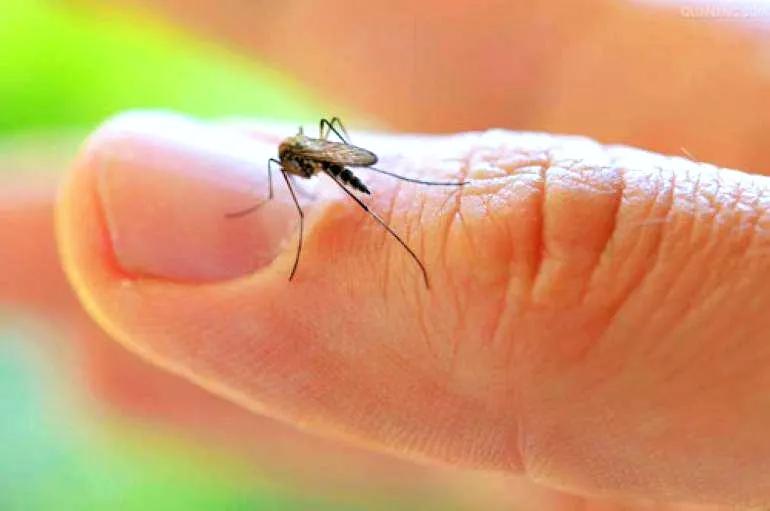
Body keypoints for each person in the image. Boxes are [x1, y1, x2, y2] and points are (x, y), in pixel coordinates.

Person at [6, 0, 770, 508]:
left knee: (353, 194)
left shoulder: (305, 154)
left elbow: (313, 158)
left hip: (356, 160)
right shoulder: (293, 156)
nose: (291, 171)